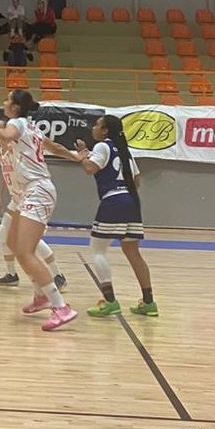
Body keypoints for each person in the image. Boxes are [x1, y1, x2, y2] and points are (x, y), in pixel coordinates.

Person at [0, 90, 85, 331]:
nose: (4, 102)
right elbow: (54, 146)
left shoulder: (16, 123)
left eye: (7, 100)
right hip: (26, 193)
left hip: (37, 190)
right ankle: (41, 295)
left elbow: (7, 135)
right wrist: (75, 156)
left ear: (16, 107)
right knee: (12, 242)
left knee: (26, 252)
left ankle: (60, 306)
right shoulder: (31, 127)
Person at [75, 115, 158, 318]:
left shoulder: (102, 146)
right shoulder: (124, 150)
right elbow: (137, 181)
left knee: (98, 250)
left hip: (113, 201)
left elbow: (89, 168)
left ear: (105, 130)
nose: (94, 128)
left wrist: (82, 156)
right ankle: (149, 302)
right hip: (132, 201)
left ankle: (110, 301)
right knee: (133, 253)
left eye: (97, 125)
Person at [0, 121, 66, 289]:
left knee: (31, 240)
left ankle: (58, 274)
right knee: (3, 233)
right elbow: (5, 173)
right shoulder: (0, 152)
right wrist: (0, 195)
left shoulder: (16, 147)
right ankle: (11, 274)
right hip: (16, 197)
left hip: (29, 195)